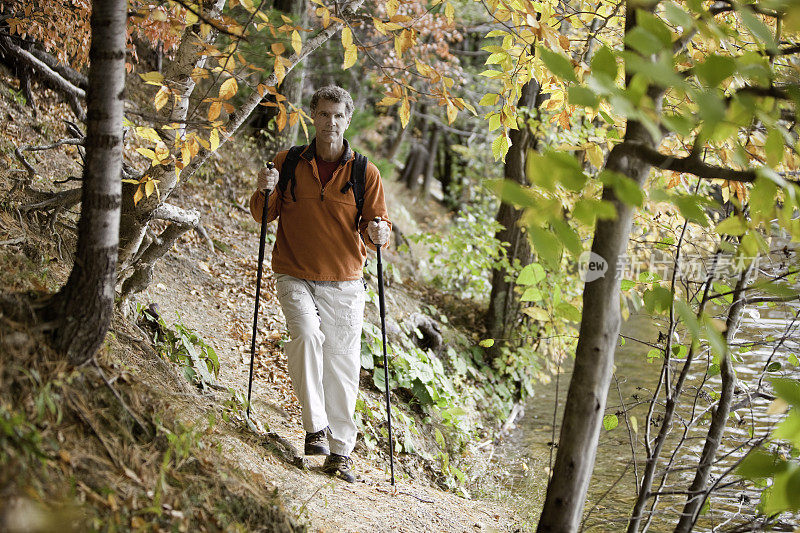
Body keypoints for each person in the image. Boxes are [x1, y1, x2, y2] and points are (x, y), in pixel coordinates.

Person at [250, 85, 391, 483]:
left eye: (338, 116)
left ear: (348, 120)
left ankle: (341, 453)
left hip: (345, 282)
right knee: (306, 336)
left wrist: (379, 233)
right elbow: (263, 215)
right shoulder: (288, 162)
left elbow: (375, 226)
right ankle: (316, 429)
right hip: (294, 272)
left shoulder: (366, 172)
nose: (331, 122)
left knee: (342, 366)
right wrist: (264, 188)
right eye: (324, 114)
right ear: (313, 117)